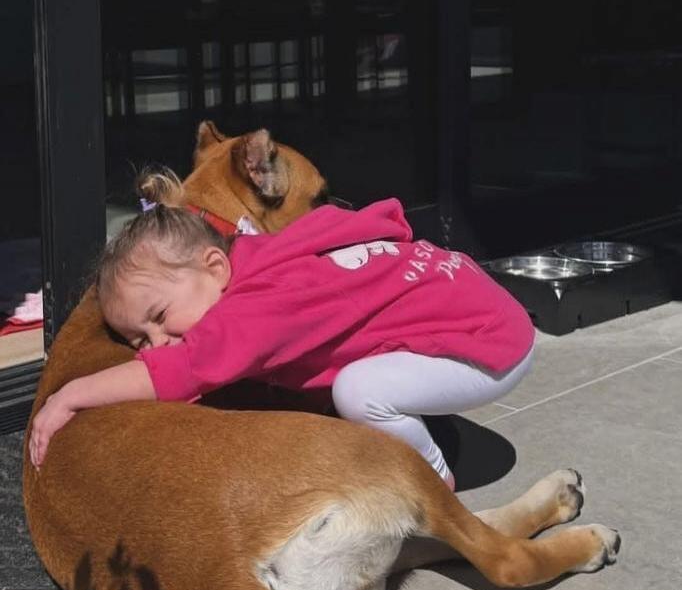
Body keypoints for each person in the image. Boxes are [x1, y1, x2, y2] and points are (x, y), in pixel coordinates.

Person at [29, 195, 535, 486]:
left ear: (214, 265)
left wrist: (71, 394)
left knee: (359, 393)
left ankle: (433, 477)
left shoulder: (260, 307)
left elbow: (182, 371)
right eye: (138, 339)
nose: (157, 343)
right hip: (479, 303)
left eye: (159, 318)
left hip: (487, 344)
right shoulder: (265, 254)